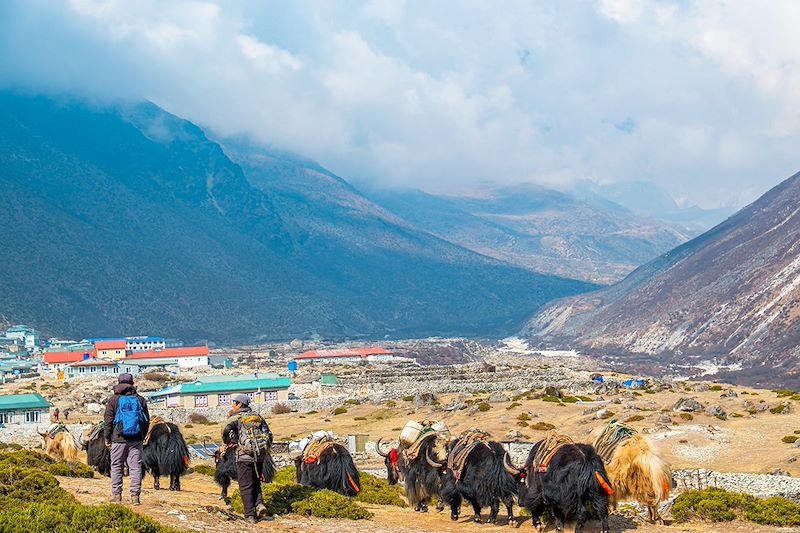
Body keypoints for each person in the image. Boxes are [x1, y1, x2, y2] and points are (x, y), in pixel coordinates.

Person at [222, 394, 272, 523]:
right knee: (256, 481)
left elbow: (225, 429)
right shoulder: (257, 417)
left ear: (240, 404)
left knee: (245, 485)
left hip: (244, 457)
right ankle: (259, 504)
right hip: (260, 456)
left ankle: (249, 515)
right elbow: (269, 434)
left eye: (234, 403)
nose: (232, 405)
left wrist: (228, 441)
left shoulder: (236, 418)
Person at [104, 373, 149, 505]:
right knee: (135, 467)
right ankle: (135, 496)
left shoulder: (113, 400)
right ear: (132, 383)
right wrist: (142, 436)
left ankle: (116, 495)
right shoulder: (140, 400)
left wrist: (108, 438)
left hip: (118, 439)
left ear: (118, 383)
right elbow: (146, 421)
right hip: (136, 440)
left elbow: (108, 421)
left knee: (117, 466)